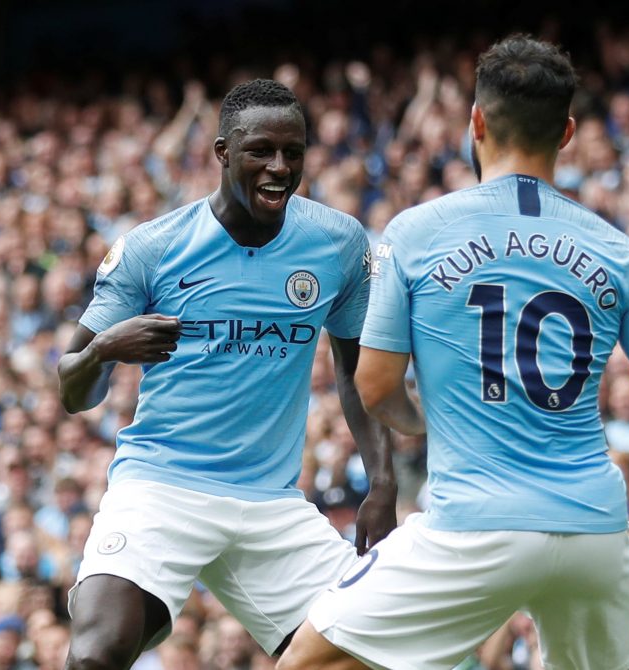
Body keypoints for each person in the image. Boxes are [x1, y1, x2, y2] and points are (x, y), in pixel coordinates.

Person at [278, 35, 629, 670]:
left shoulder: (416, 233)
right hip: (594, 530)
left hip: (473, 525)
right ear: (567, 133)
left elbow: (374, 385)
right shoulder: (616, 250)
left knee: (309, 661)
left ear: (475, 121)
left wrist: (425, 420)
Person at [58, 79, 396, 670]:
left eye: (293, 152)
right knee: (95, 655)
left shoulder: (337, 243)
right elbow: (71, 389)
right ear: (222, 152)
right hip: (161, 487)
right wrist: (106, 349)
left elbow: (355, 374)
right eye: (260, 150)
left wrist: (384, 482)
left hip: (269, 501)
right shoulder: (154, 247)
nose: (279, 167)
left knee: (374, 653)